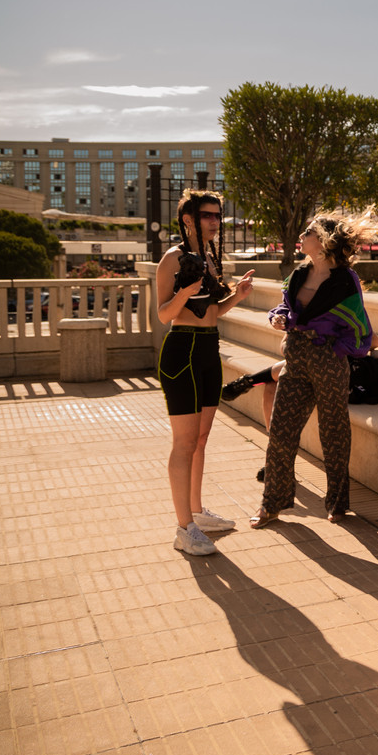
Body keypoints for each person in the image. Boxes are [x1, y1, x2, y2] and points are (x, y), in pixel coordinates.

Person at [250, 207, 378, 528]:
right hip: (296, 361)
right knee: (280, 432)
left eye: (307, 232)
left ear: (322, 240)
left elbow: (359, 327)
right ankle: (272, 503)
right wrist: (278, 318)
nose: (301, 236)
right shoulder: (298, 274)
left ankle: (337, 503)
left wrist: (334, 349)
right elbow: (284, 306)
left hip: (328, 363)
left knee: (333, 434)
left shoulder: (345, 280)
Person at [155, 189, 255, 556]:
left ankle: (196, 512)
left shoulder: (210, 258)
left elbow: (213, 311)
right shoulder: (172, 259)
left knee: (200, 439)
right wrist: (185, 292)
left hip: (209, 349)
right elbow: (164, 314)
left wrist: (237, 296)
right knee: (183, 443)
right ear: (187, 220)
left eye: (217, 215)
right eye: (207, 215)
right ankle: (184, 528)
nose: (215, 221)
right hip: (182, 351)